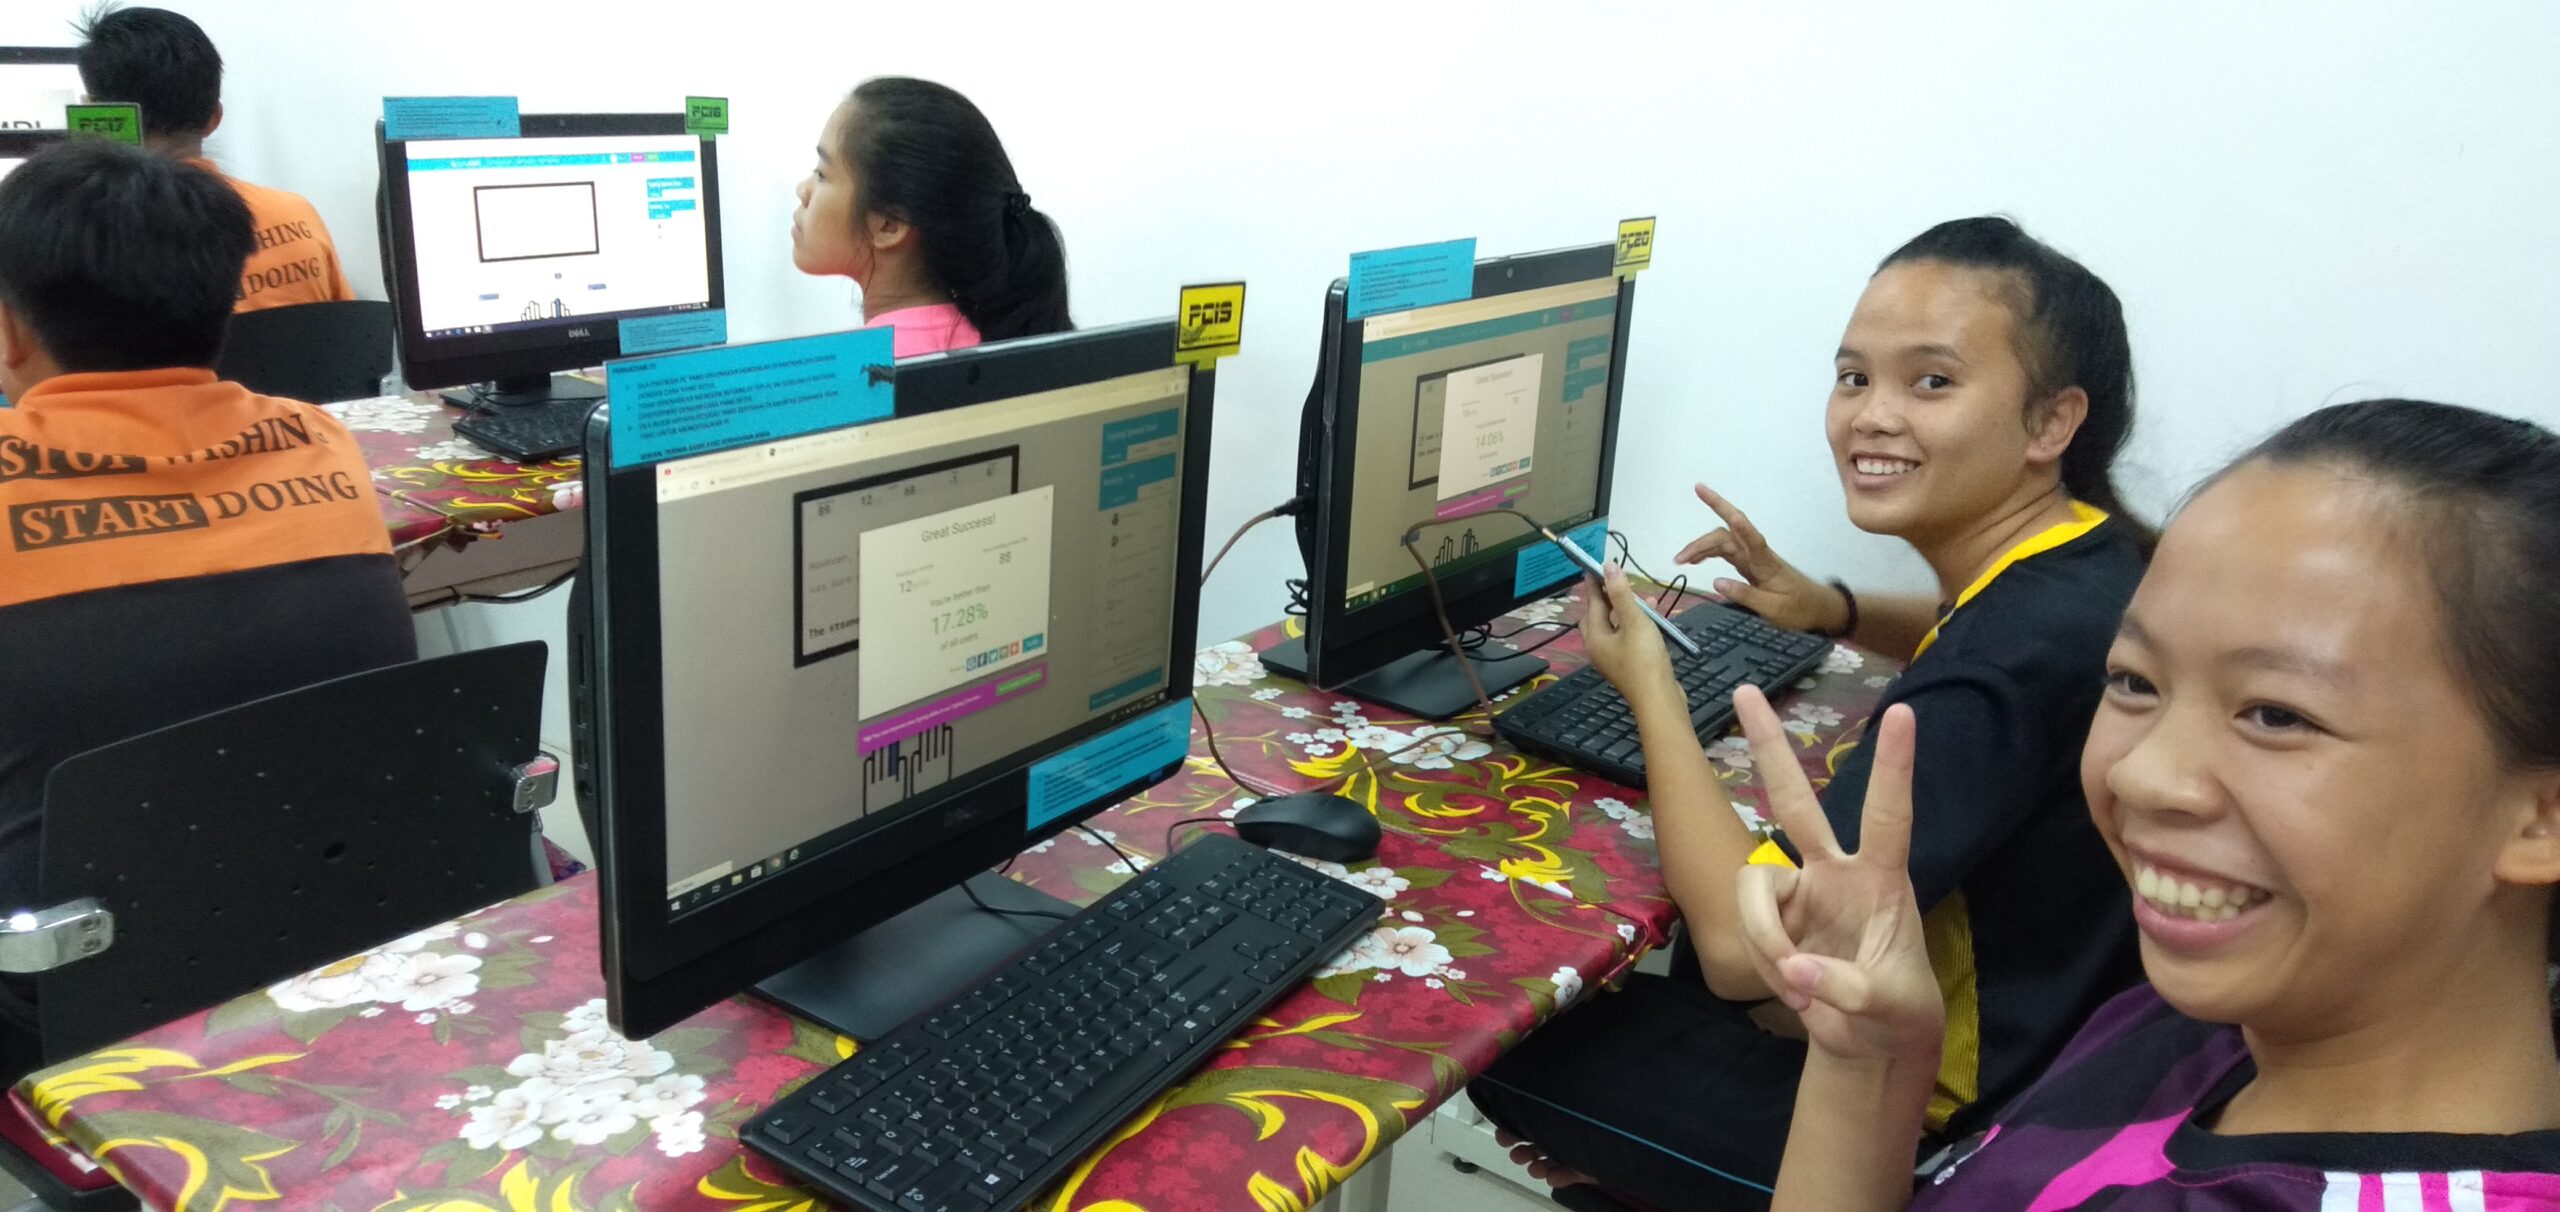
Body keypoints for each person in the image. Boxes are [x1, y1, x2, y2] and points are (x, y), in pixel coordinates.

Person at [1471, 217, 2150, 1209]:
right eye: (1853, 377)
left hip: (1952, 1135)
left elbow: (1746, 952)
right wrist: (1834, 609)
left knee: (1513, 1031)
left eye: (1931, 382)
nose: (1872, 416)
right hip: (2076, 1064)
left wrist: (1652, 690)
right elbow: (1983, 624)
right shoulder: (2098, 562)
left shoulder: (1995, 670)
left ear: (2052, 423)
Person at [1750, 398, 2560, 1209]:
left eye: (2277, 715)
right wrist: (1869, 1063)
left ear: (2542, 816)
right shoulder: (2229, 1016)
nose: (2141, 775)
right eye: (2135, 680)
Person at [0, 139, 413, 1076]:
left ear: (13, 330)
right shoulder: (324, 441)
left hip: (68, 993)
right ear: (225, 307)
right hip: (346, 922)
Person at [76, 4, 358, 312]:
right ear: (214, 117)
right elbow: (348, 330)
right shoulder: (297, 215)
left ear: (97, 117)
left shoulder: (82, 243)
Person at [790, 76, 1072, 357]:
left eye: (822, 174)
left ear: (889, 225)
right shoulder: (996, 343)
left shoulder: (855, 370)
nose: (802, 190)